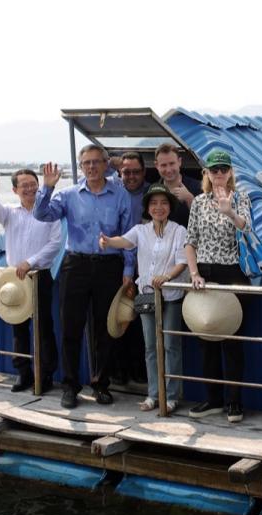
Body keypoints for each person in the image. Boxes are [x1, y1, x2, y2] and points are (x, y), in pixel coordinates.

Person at [33, 144, 134, 409]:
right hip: (75, 265)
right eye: (86, 163)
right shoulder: (67, 195)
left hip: (109, 266)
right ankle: (70, 386)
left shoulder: (120, 195)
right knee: (71, 327)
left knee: (105, 329)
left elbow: (128, 236)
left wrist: (127, 270)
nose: (91, 167)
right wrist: (47, 187)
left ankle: (101, 384)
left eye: (95, 162)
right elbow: (41, 214)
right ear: (81, 167)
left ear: (105, 164)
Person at [99, 184, 188, 413]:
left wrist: (167, 276)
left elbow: (182, 261)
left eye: (163, 203)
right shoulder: (141, 230)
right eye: (154, 203)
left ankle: (171, 396)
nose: (159, 208)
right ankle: (153, 394)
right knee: (150, 346)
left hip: (171, 295)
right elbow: (124, 241)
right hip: (147, 295)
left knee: (171, 346)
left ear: (170, 206)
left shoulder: (179, 231)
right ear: (147, 208)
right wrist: (108, 241)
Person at [0, 169, 61, 393]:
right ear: (15, 190)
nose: (30, 188)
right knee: (19, 328)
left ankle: (46, 375)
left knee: (44, 328)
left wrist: (30, 261)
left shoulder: (50, 212)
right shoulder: (10, 213)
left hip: (39, 275)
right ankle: (23, 373)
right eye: (24, 185)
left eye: (33, 184)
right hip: (15, 278)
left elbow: (55, 244)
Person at [184, 150, 251, 423]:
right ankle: (212, 398)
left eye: (224, 169)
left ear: (231, 172)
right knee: (206, 337)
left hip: (231, 273)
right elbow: (191, 241)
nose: (219, 174)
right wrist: (194, 273)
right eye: (214, 170)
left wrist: (230, 212)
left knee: (232, 341)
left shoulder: (241, 197)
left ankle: (234, 402)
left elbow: (246, 227)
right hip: (205, 274)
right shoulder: (199, 202)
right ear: (207, 174)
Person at [107, 152, 149, 387]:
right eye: (126, 172)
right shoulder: (112, 190)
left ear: (144, 172)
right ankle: (118, 371)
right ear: (119, 173)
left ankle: (139, 371)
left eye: (136, 171)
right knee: (117, 317)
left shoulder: (152, 195)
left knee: (141, 320)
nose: (131, 176)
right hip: (118, 263)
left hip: (146, 265)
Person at [155, 143, 202, 226]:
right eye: (163, 165)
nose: (168, 170)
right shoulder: (151, 191)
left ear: (179, 162)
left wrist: (190, 199)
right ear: (156, 165)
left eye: (172, 164)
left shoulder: (197, 187)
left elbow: (206, 223)